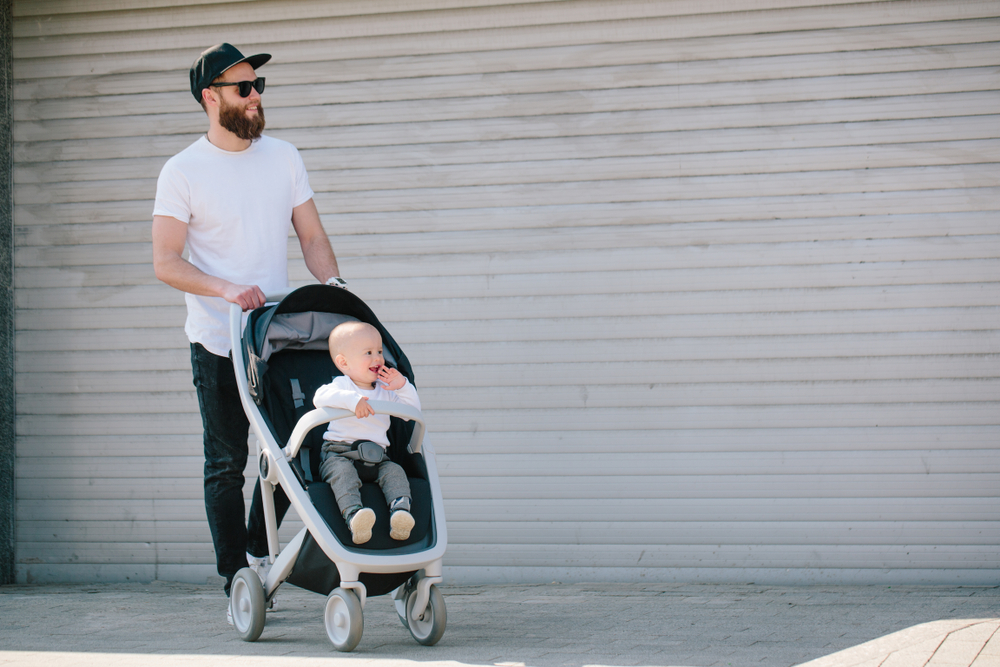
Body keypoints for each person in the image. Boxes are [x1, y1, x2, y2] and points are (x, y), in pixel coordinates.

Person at [151, 43, 343, 614]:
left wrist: (335, 290)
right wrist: (226, 288)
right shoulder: (183, 171)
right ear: (211, 97)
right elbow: (166, 261)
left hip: (277, 333)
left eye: (258, 84)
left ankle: (261, 548)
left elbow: (310, 236)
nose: (256, 94)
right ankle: (236, 575)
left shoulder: (283, 157)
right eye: (243, 87)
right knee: (225, 462)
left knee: (298, 445)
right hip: (217, 338)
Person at [314, 321, 420, 545]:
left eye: (380, 351)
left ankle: (400, 512)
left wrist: (402, 385)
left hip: (377, 457)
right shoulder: (342, 385)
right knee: (342, 474)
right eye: (368, 353)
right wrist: (353, 401)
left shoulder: (386, 390)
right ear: (343, 362)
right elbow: (320, 397)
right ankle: (354, 515)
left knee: (395, 471)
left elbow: (411, 413)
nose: (378, 358)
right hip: (339, 452)